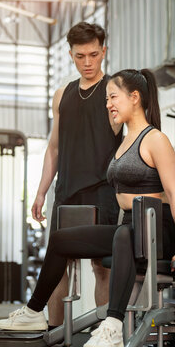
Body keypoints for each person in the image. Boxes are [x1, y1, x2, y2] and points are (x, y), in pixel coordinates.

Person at [0, 69, 175, 347]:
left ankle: (113, 326)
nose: (108, 104)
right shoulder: (125, 140)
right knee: (60, 240)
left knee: (123, 235)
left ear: (135, 97)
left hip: (154, 229)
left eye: (113, 97)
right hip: (130, 227)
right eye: (106, 99)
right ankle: (33, 311)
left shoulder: (155, 139)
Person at [30, 22, 123, 329]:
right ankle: (55, 334)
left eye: (94, 55)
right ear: (70, 54)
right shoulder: (62, 96)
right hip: (66, 191)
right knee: (58, 267)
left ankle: (104, 335)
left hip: (103, 192)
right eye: (80, 55)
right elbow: (54, 148)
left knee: (102, 268)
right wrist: (41, 191)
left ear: (103, 52)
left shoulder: (114, 93)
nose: (87, 62)